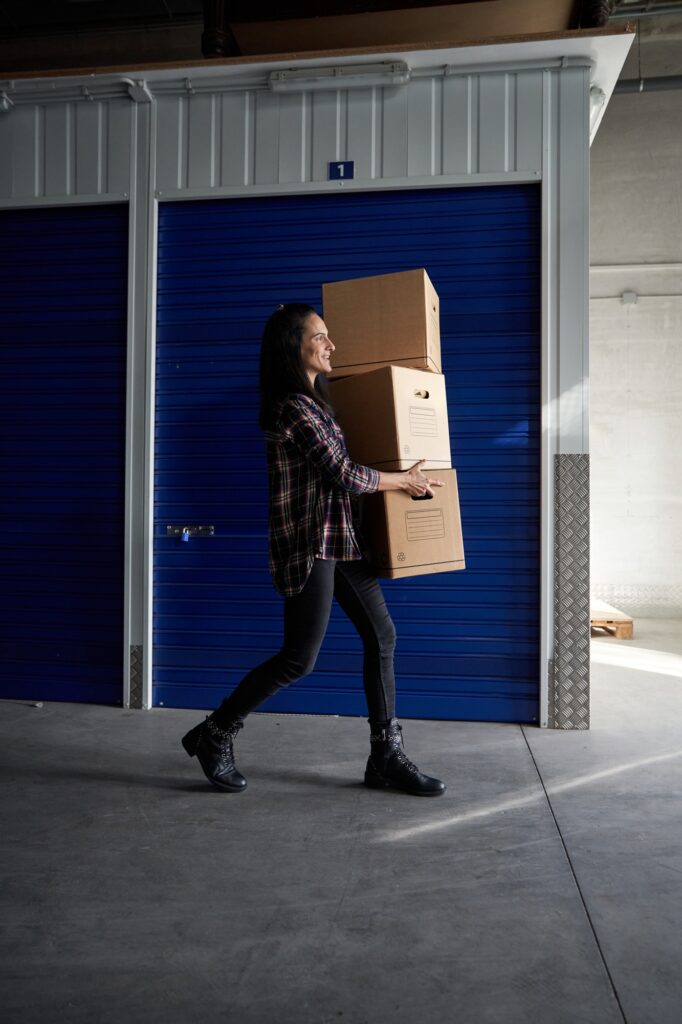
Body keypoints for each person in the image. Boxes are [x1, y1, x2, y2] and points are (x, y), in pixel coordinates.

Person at [182, 303, 447, 797]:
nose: (331, 345)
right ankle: (214, 734)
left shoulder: (317, 404)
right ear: (293, 345)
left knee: (382, 636)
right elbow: (342, 473)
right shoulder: (292, 408)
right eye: (320, 336)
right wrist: (404, 480)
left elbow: (342, 477)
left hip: (341, 542)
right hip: (310, 546)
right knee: (298, 660)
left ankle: (385, 756)